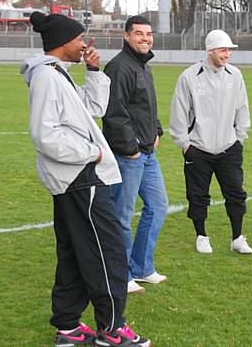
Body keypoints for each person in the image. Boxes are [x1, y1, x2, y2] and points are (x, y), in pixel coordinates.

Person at [21, 11, 150, 347]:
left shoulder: (58, 75)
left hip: (75, 178)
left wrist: (93, 71)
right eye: (79, 39)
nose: (84, 45)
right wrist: (90, 153)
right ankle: (111, 329)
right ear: (63, 42)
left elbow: (93, 107)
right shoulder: (48, 78)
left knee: (75, 253)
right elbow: (44, 134)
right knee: (107, 252)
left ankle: (67, 327)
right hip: (81, 177)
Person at [169, 29, 252, 255]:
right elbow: (179, 112)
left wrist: (240, 139)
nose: (227, 55)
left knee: (235, 193)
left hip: (229, 148)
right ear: (211, 50)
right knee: (197, 196)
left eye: (229, 51)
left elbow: (242, 108)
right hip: (198, 149)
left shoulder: (235, 75)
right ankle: (201, 236)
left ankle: (237, 237)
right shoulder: (189, 76)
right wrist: (185, 144)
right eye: (223, 50)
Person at [103, 15, 169, 295]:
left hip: (147, 153)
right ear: (126, 36)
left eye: (149, 33)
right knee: (122, 215)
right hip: (128, 156)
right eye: (139, 34)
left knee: (158, 206)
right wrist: (130, 149)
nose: (146, 38)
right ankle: (122, 274)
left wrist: (156, 130)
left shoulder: (142, 66)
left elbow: (147, 107)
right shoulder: (119, 67)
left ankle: (141, 267)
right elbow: (114, 114)